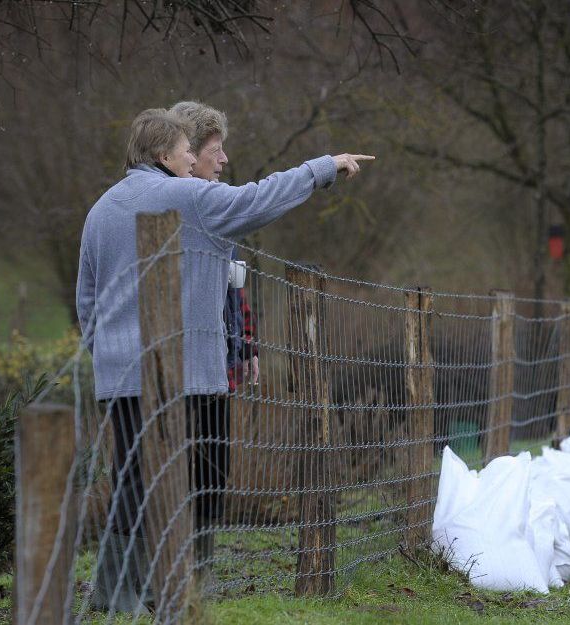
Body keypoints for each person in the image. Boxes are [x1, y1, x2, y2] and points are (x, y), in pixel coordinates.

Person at [76, 107, 373, 611]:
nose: (194, 158)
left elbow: (86, 299)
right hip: (187, 373)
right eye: (186, 150)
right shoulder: (187, 196)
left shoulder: (100, 209)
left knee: (131, 479)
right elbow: (259, 199)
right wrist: (323, 167)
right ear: (162, 155)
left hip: (121, 374)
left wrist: (107, 352)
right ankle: (188, 583)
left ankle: (118, 590)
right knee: (200, 479)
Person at [166, 100, 260, 581]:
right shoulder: (174, 208)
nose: (223, 161)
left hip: (218, 361)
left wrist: (246, 344)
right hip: (176, 366)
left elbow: (232, 282)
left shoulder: (216, 205)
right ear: (185, 154)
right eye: (214, 151)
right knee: (173, 467)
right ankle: (170, 569)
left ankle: (199, 570)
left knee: (213, 465)